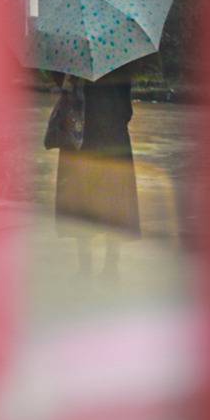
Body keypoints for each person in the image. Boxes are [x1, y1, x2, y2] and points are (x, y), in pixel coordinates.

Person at [50, 61, 141, 277]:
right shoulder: (119, 61)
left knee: (82, 200)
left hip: (81, 140)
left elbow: (62, 89)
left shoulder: (72, 60)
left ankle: (85, 267)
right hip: (113, 139)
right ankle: (111, 266)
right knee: (114, 200)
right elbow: (126, 111)